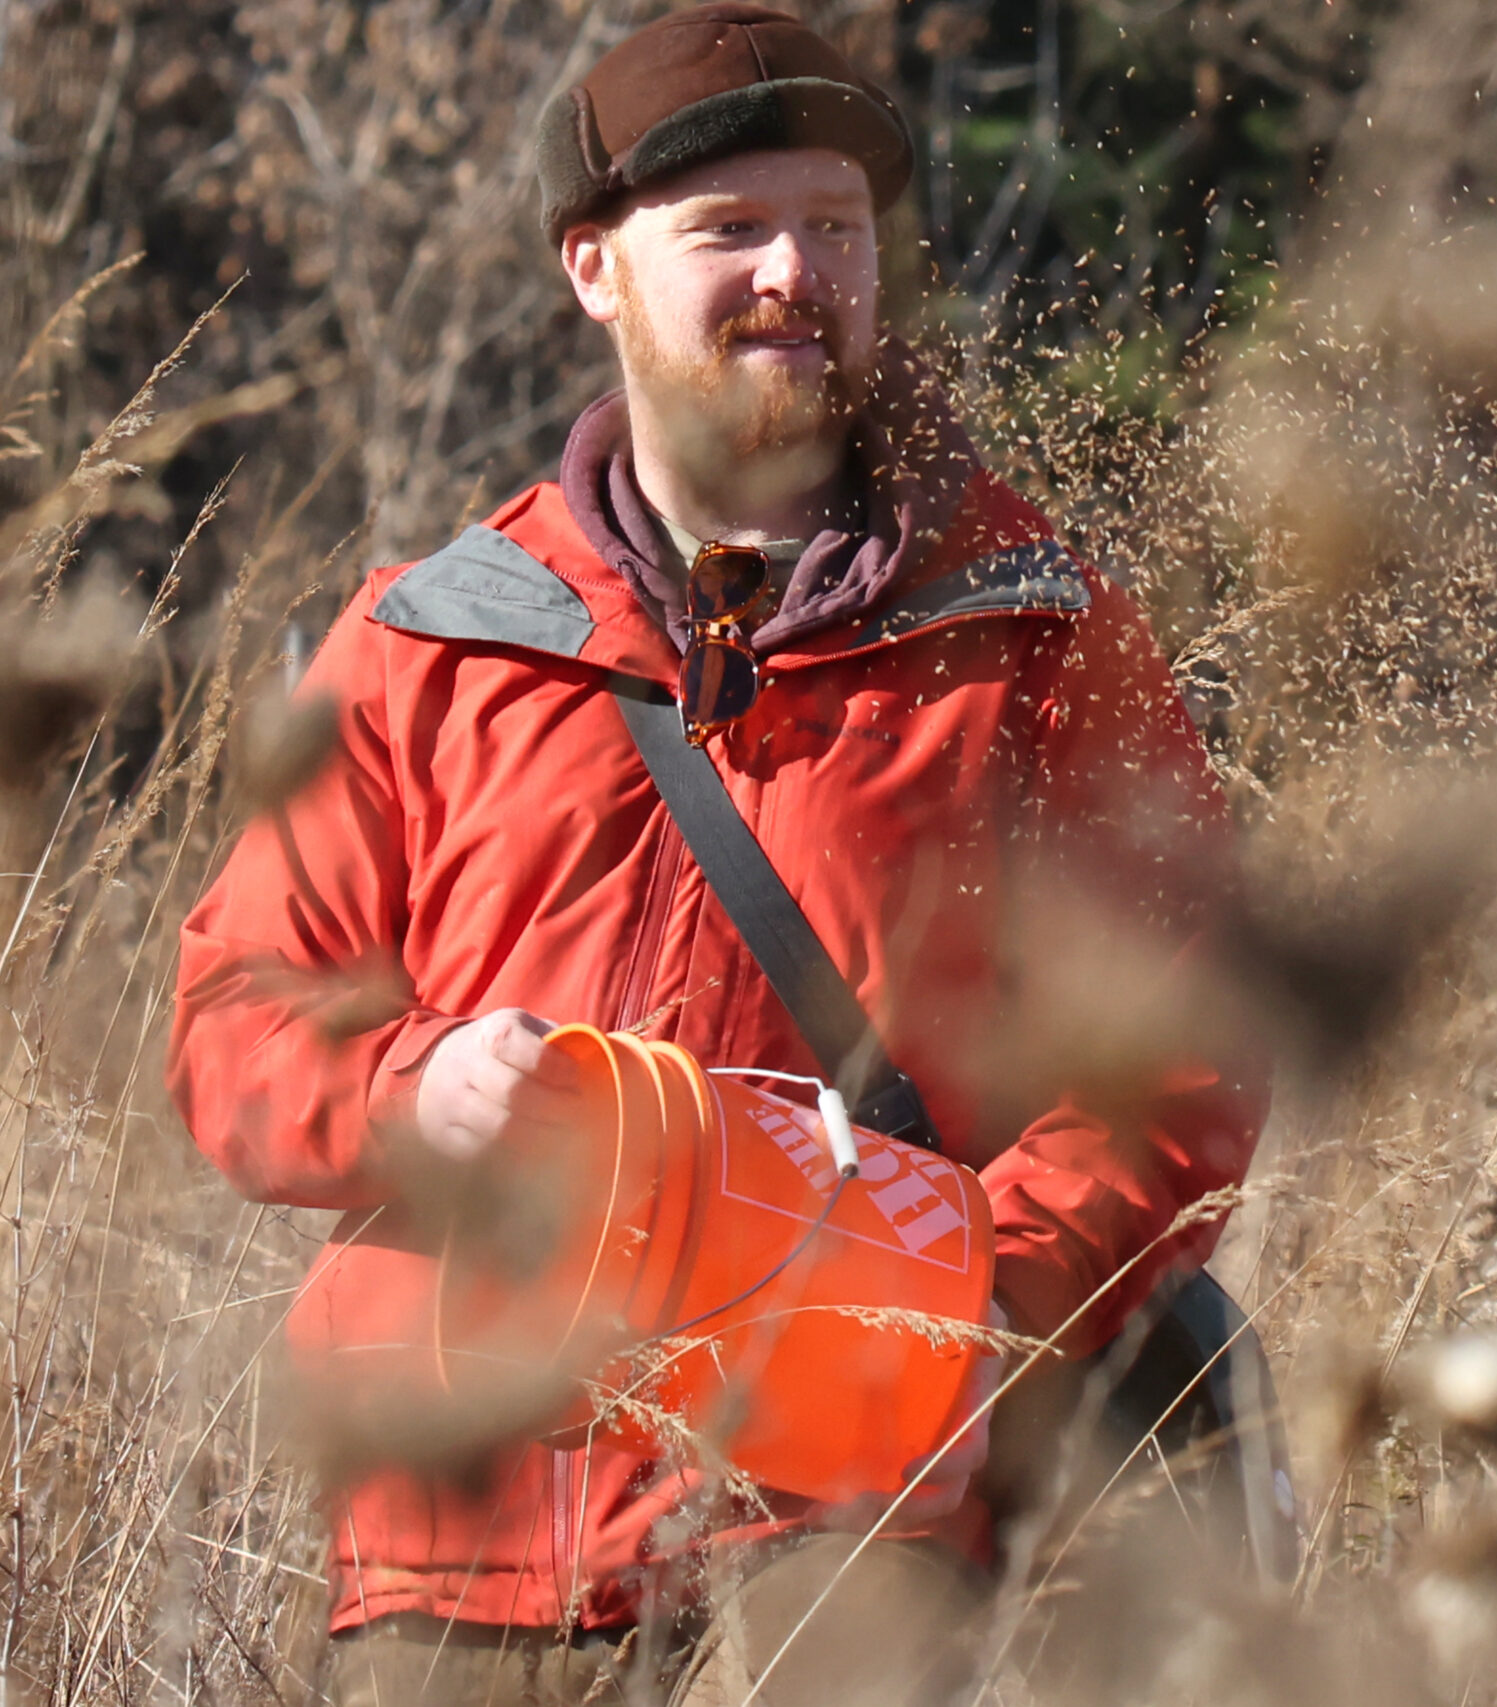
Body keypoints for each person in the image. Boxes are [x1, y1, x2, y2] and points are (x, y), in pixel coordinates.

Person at [164, 5, 1266, 1701]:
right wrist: (410, 1087)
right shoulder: (429, 640)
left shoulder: (1033, 631)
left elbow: (1186, 1047)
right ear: (595, 270)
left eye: (833, 227)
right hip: (462, 1544)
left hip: (847, 1543)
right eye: (730, 230)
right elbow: (236, 1016)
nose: (794, 273)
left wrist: (977, 1321)